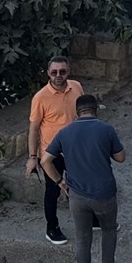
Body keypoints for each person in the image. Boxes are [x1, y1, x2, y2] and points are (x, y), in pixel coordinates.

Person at [41, 95, 125, 263]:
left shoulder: (64, 133)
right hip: (104, 192)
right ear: (96, 108)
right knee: (109, 230)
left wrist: (59, 181)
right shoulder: (106, 129)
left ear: (76, 111)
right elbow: (120, 157)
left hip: (77, 195)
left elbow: (45, 160)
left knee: (82, 237)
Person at [26, 56, 84, 245]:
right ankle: (52, 228)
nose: (58, 75)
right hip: (52, 153)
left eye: (62, 71)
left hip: (75, 148)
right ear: (48, 73)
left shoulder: (76, 87)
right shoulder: (41, 97)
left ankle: (89, 219)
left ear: (69, 70)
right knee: (53, 191)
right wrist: (32, 157)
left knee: (82, 185)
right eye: (54, 72)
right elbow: (34, 129)